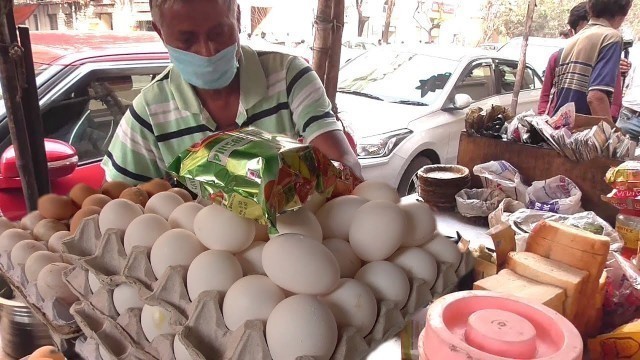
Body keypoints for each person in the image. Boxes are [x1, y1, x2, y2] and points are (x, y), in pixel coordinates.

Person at [101, 0, 361, 184]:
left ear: (237, 17)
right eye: (187, 40)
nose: (207, 51)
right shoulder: (148, 114)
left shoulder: (289, 78)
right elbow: (119, 205)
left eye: (218, 32)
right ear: (160, 32)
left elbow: (341, 169)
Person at [538, 1, 629, 118]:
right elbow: (596, 97)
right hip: (584, 131)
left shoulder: (571, 42)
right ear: (623, 12)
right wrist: (609, 133)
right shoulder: (611, 37)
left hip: (561, 129)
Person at [617, 49, 640, 141]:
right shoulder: (633, 50)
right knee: (620, 153)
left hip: (629, 115)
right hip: (630, 114)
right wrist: (617, 68)